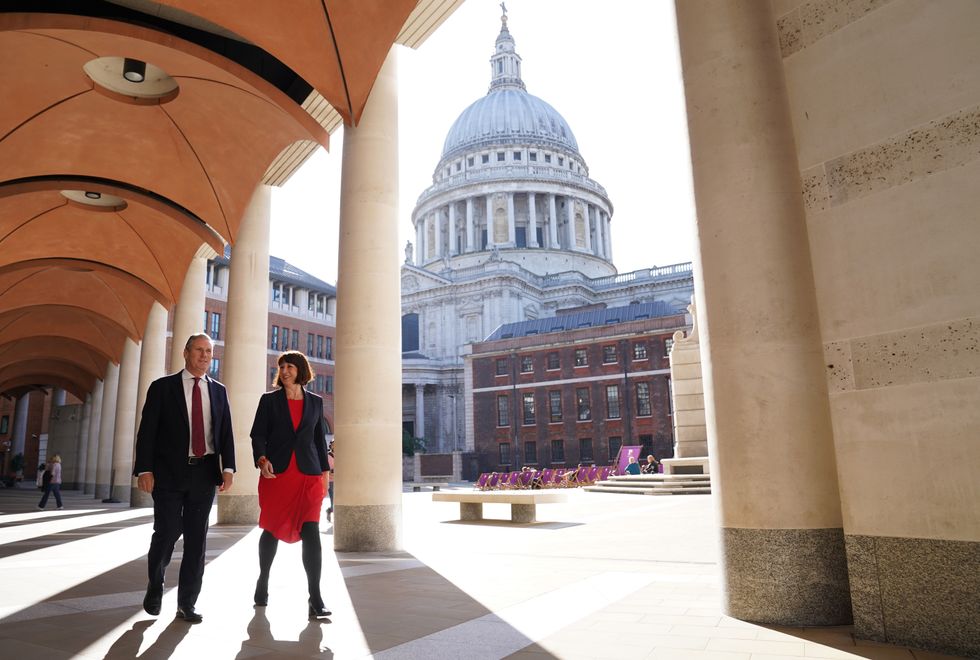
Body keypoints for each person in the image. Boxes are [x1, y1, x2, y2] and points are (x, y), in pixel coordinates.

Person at [133, 333, 236, 624]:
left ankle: (187, 603)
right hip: (168, 473)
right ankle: (155, 584)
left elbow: (225, 431)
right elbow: (148, 431)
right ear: (186, 352)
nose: (205, 356)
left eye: (209, 351)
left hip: (204, 473)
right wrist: (144, 469)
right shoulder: (162, 388)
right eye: (199, 350)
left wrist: (228, 468)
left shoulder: (218, 391)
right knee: (166, 532)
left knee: (196, 540)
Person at [250, 350, 331, 620]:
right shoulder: (269, 401)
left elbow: (319, 442)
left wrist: (325, 474)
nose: (284, 371)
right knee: (271, 529)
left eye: (290, 367)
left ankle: (316, 597)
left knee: (312, 533)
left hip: (308, 476)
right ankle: (262, 581)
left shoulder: (316, 403)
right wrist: (262, 460)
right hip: (278, 476)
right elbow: (258, 434)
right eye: (281, 367)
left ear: (301, 370)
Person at [326, 441, 335, 522]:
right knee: (333, 499)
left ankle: (330, 510)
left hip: (340, 482)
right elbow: (326, 470)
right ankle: (330, 510)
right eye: (333, 445)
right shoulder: (328, 457)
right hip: (331, 481)